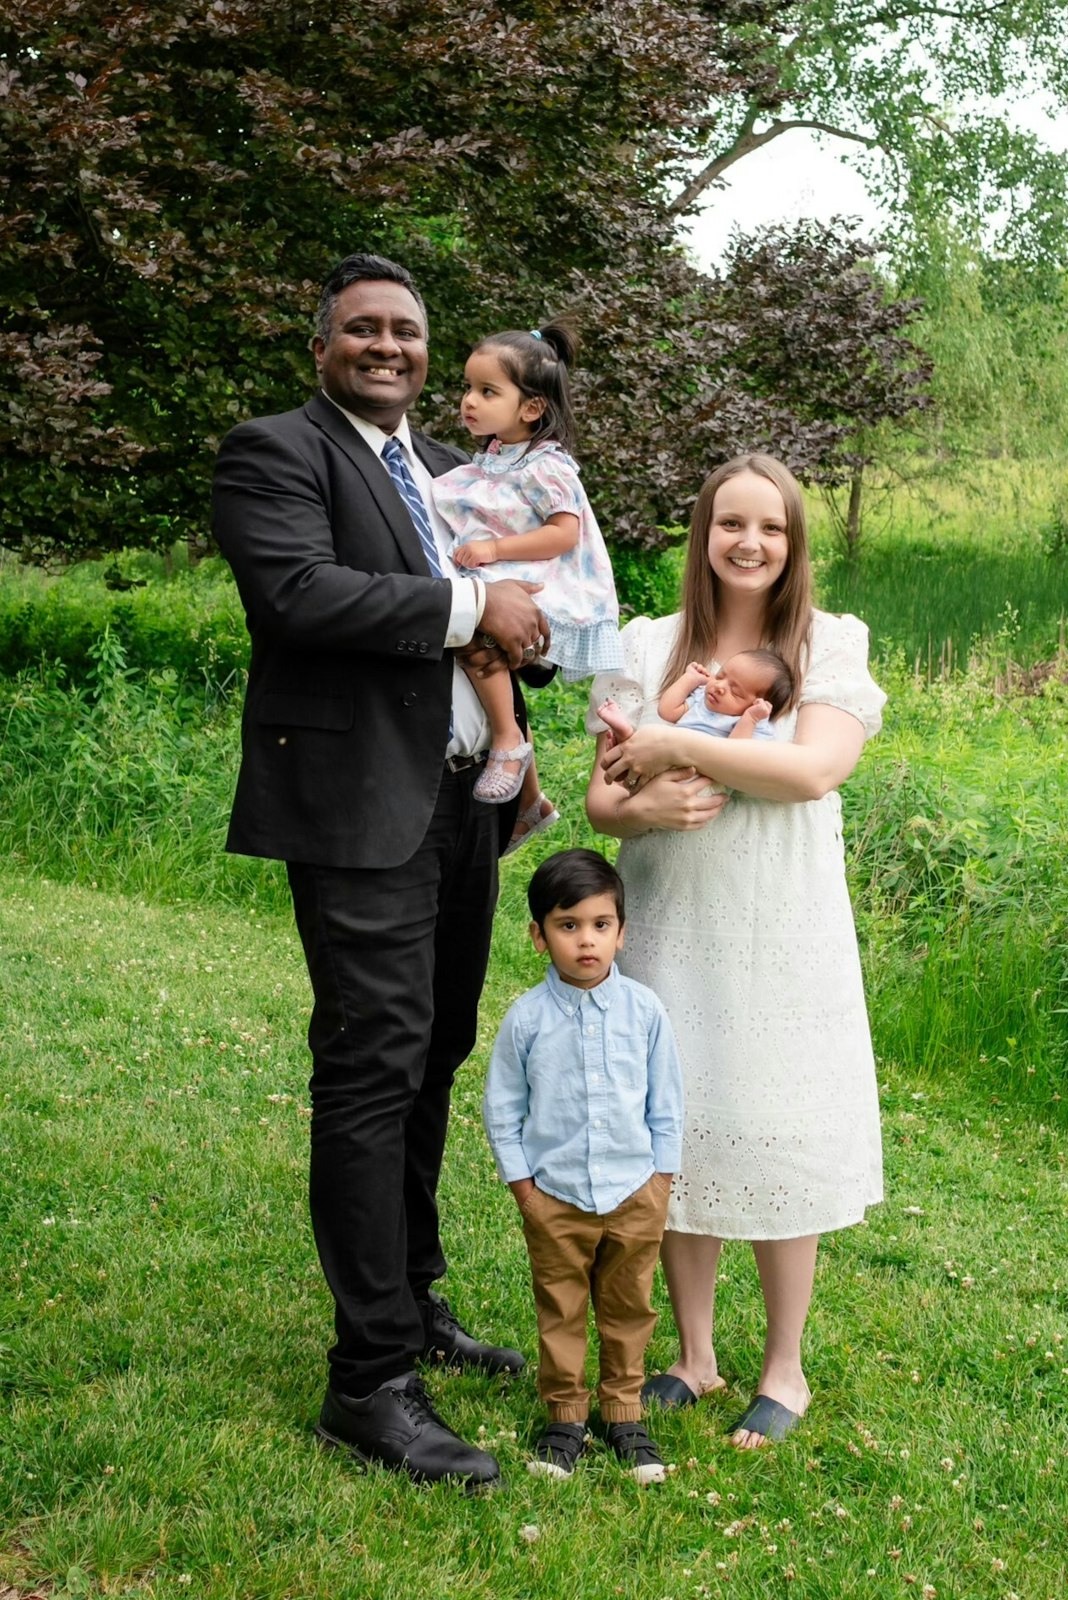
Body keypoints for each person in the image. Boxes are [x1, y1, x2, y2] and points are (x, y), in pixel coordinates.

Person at [212, 252, 553, 1491]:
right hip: (358, 812)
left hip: (460, 804)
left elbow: (473, 602)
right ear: (322, 347)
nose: (388, 346)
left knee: (434, 1050)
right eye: (361, 329)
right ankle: (368, 1382)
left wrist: (529, 638)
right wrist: (474, 610)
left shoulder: (431, 468)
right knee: (370, 1065)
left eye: (405, 331)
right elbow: (301, 596)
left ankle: (413, 1308)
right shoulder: (277, 451)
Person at [585, 453, 886, 1447]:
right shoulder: (650, 642)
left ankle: (783, 1368)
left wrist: (681, 748)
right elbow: (599, 798)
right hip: (671, 909)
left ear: (794, 543)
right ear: (702, 534)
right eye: (728, 523)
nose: (748, 542)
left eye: (770, 527)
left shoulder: (825, 645)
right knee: (683, 1123)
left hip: (778, 920)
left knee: (771, 1121)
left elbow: (810, 771)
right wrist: (646, 796)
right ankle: (693, 1354)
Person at [482, 849, 683, 1483]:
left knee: (629, 1306)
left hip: (634, 1191)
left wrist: (660, 1182)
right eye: (568, 926)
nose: (587, 941)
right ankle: (565, 1416)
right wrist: (525, 1189)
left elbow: (666, 1104)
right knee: (561, 1306)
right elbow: (503, 1109)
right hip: (556, 1196)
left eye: (601, 925)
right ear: (538, 935)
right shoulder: (526, 1021)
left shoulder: (646, 1012)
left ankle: (624, 1411)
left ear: (622, 933)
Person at [431, 322, 623, 853]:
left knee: (475, 641)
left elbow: (565, 532)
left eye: (487, 391)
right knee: (478, 654)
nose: (469, 401)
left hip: (547, 585)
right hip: (506, 576)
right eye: (467, 388)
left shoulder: (548, 464)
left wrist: (492, 551)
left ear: (532, 408)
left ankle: (510, 745)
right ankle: (530, 800)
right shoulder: (497, 455)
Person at [598, 647, 793, 746]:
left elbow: (736, 752)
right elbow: (667, 711)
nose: (719, 687)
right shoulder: (702, 703)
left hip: (701, 774)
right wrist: (689, 679)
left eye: (735, 692)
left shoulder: (750, 723)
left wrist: (750, 718)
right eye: (720, 675)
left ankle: (626, 739)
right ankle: (626, 736)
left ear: (757, 705)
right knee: (642, 751)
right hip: (668, 753)